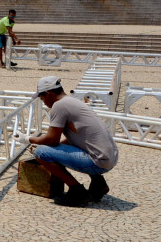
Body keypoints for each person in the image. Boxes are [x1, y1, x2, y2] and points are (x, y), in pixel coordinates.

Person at [15, 76, 119, 207]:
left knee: (41, 152)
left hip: (99, 162)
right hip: (109, 158)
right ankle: (99, 185)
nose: (44, 102)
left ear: (49, 94)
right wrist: (43, 143)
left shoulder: (59, 106)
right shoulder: (71, 101)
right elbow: (73, 139)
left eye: (42, 98)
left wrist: (27, 139)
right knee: (56, 148)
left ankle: (77, 191)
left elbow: (52, 140)